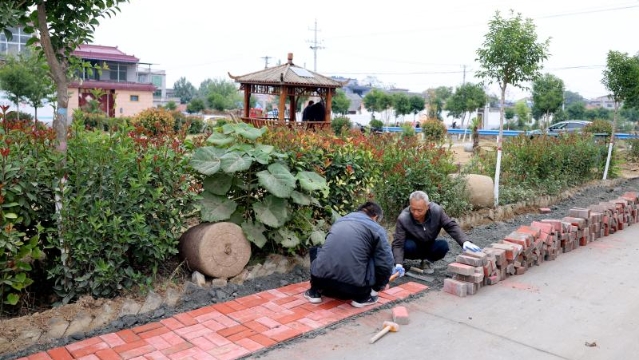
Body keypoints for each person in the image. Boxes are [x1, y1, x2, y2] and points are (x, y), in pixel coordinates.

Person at [305, 202, 395, 308]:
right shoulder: (376, 229)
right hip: (354, 289)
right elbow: (385, 263)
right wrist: (379, 287)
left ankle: (314, 292)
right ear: (375, 216)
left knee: (317, 250)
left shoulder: (339, 221)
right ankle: (362, 299)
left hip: (322, 284)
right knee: (374, 256)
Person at [392, 191, 481, 275]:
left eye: (419, 210)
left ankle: (427, 261)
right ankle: (401, 264)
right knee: (408, 246)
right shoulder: (404, 218)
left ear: (427, 207)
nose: (415, 213)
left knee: (443, 246)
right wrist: (398, 263)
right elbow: (398, 244)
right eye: (413, 209)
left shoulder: (436, 211)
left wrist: (465, 241)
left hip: (428, 244)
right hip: (412, 246)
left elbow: (450, 226)